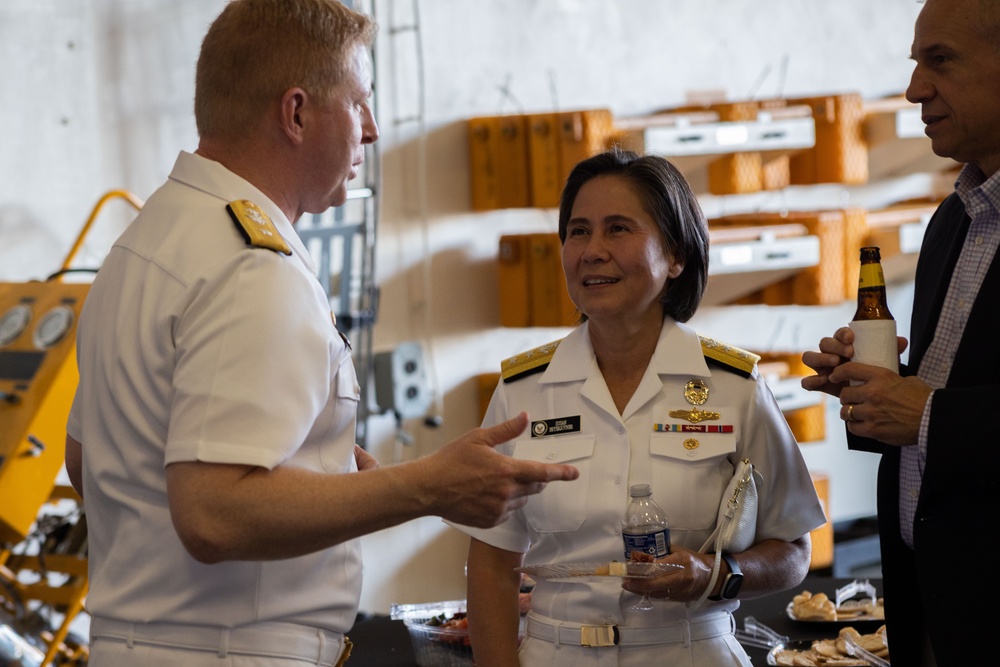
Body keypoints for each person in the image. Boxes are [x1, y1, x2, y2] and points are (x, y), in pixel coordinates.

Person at [62, 2, 579, 666]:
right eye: (359, 102)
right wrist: (429, 485)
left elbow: (93, 462)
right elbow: (213, 513)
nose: (372, 129)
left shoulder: (146, 244)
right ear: (297, 113)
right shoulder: (249, 266)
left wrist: (320, 479)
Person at [456, 149, 826, 667]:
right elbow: (492, 564)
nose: (593, 251)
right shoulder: (523, 391)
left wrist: (716, 575)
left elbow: (793, 549)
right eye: (578, 231)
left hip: (692, 651)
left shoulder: (731, 387)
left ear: (675, 255)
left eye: (618, 229)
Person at [800, 1, 1000, 665]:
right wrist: (875, 391)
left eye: (938, 60)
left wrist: (927, 412)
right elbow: (943, 402)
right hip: (934, 609)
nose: (914, 88)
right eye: (914, 63)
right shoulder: (955, 221)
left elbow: (940, 416)